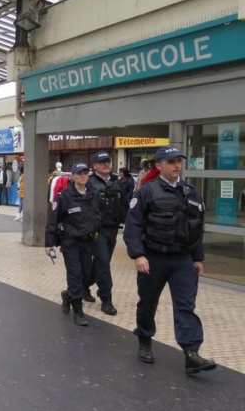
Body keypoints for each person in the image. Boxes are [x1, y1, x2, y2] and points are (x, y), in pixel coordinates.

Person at [123, 146, 215, 374]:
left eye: (179, 162)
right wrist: (138, 254)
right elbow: (132, 226)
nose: (177, 166)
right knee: (148, 303)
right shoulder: (147, 192)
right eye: (171, 162)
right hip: (153, 259)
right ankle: (144, 339)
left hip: (182, 260)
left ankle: (191, 353)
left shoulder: (191, 193)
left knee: (186, 306)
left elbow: (196, 229)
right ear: (159, 166)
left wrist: (197, 258)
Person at [44, 163, 102, 327]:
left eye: (85, 173)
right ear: (73, 177)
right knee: (75, 275)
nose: (83, 176)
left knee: (86, 276)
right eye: (80, 174)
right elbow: (53, 220)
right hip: (71, 242)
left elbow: (100, 214)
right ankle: (78, 311)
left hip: (88, 242)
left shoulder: (94, 194)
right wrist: (49, 243)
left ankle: (68, 296)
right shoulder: (64, 196)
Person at [84, 151, 127, 315]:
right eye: (102, 162)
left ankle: (83, 285)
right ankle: (106, 299)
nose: (106, 164)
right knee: (103, 262)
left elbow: (124, 202)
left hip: (113, 228)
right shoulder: (89, 182)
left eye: (108, 161)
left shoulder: (117, 181)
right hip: (97, 230)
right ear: (94, 165)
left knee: (102, 262)